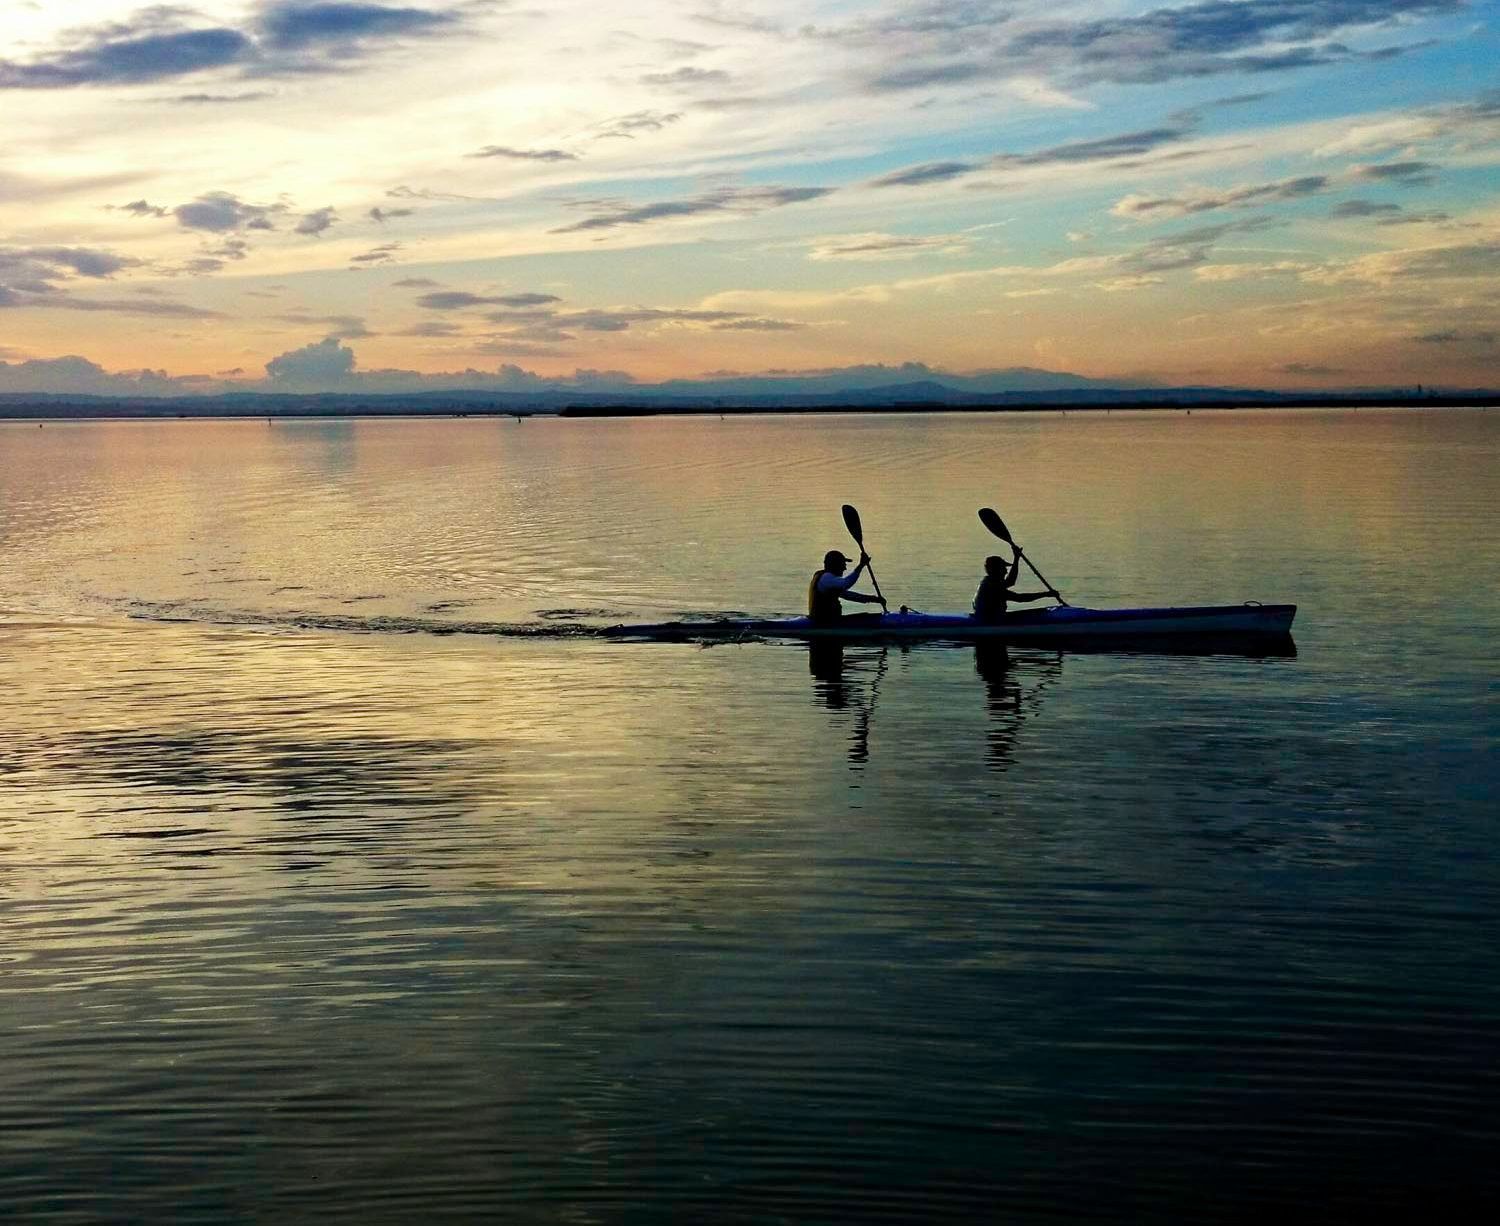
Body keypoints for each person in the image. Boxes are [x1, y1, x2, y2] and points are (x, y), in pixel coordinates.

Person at [973, 546, 1057, 622]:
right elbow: (1020, 598)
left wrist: (1016, 558)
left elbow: (1010, 581)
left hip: (991, 617)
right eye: (1003, 568)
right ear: (996, 570)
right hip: (990, 621)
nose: (1006, 571)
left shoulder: (991, 581)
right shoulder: (992, 587)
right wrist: (1046, 594)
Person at [808, 550, 886, 624]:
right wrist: (861, 565)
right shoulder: (826, 578)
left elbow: (849, 596)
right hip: (826, 622)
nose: (845, 568)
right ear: (835, 565)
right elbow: (846, 583)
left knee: (863, 616)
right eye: (843, 564)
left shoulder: (825, 579)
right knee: (866, 618)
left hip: (825, 620)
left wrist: (874, 599)